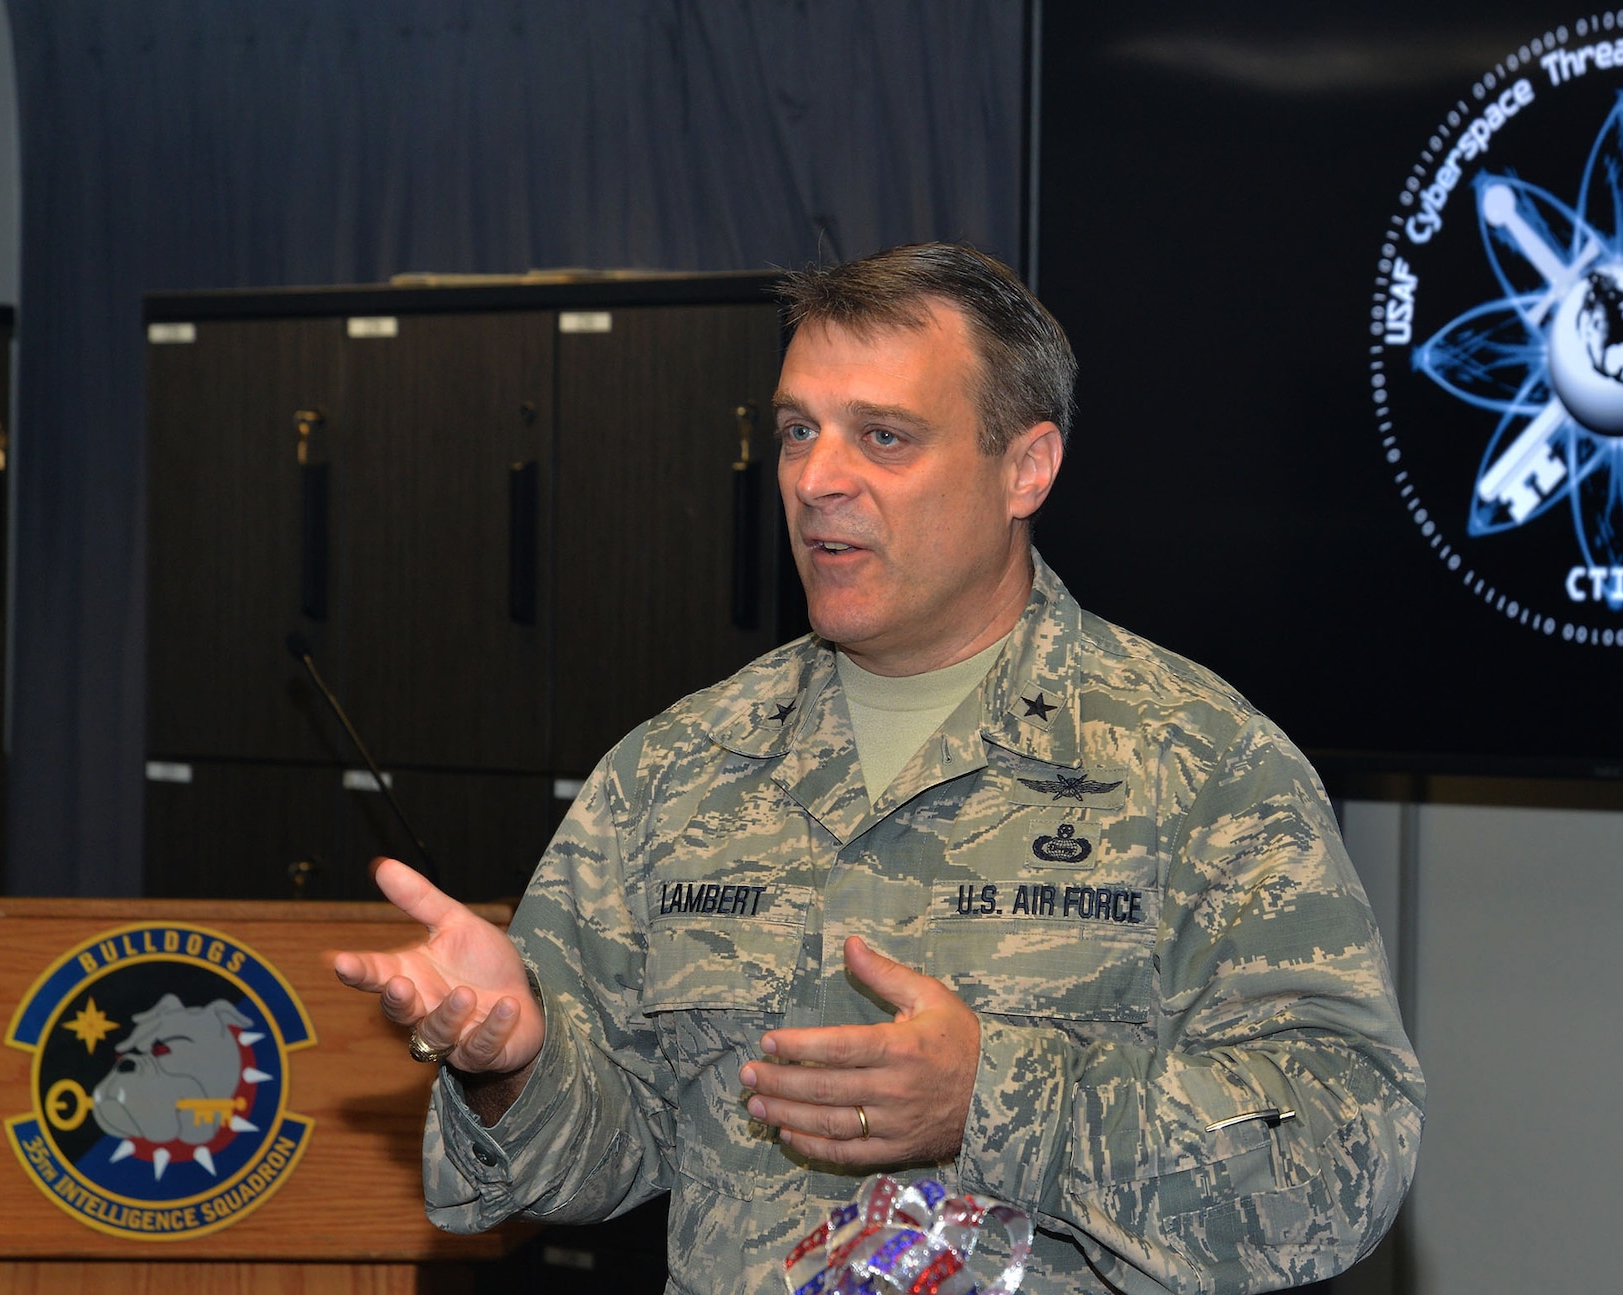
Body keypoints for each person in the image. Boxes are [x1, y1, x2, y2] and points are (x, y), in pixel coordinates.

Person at [333, 243, 1423, 1293]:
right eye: (797, 429)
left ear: (1025, 467)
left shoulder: (1198, 763)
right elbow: (599, 1152)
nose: (816, 479)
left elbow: (1341, 1147)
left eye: (884, 437)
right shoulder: (678, 768)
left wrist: (995, 1098)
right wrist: (511, 1060)